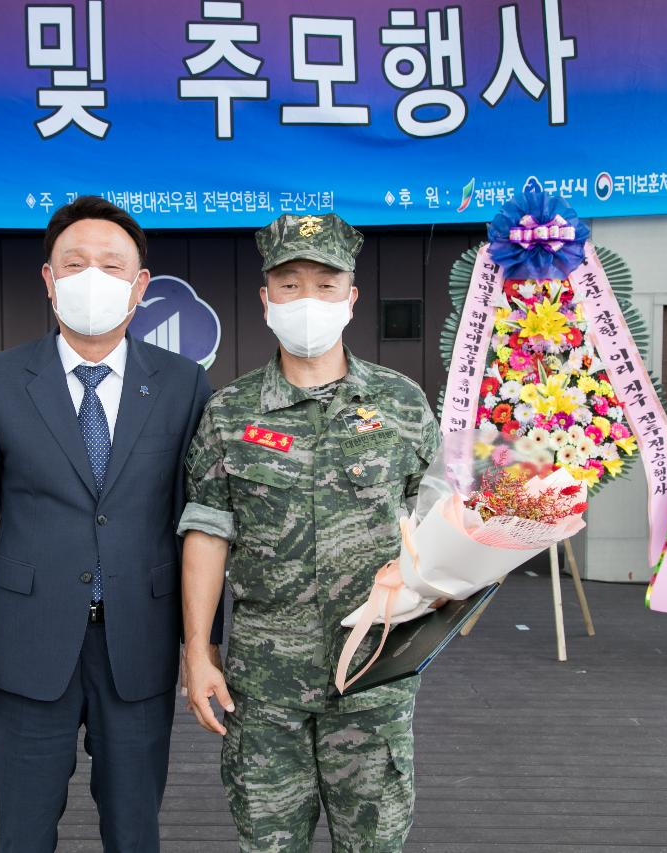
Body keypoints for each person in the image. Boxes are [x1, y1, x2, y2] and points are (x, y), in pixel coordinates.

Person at [0, 196, 217, 853]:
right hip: (27, 642)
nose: (93, 275)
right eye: (75, 262)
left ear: (139, 284)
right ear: (49, 277)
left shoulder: (182, 385)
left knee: (133, 827)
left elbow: (201, 521)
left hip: (141, 644)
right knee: (25, 829)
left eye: (112, 264)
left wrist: (202, 645)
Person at [178, 213, 439, 851]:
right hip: (265, 687)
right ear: (265, 300)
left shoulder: (402, 404)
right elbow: (207, 535)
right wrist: (196, 652)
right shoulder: (229, 412)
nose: (307, 300)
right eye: (289, 285)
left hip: (375, 676)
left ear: (351, 299)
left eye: (325, 285)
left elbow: (435, 524)